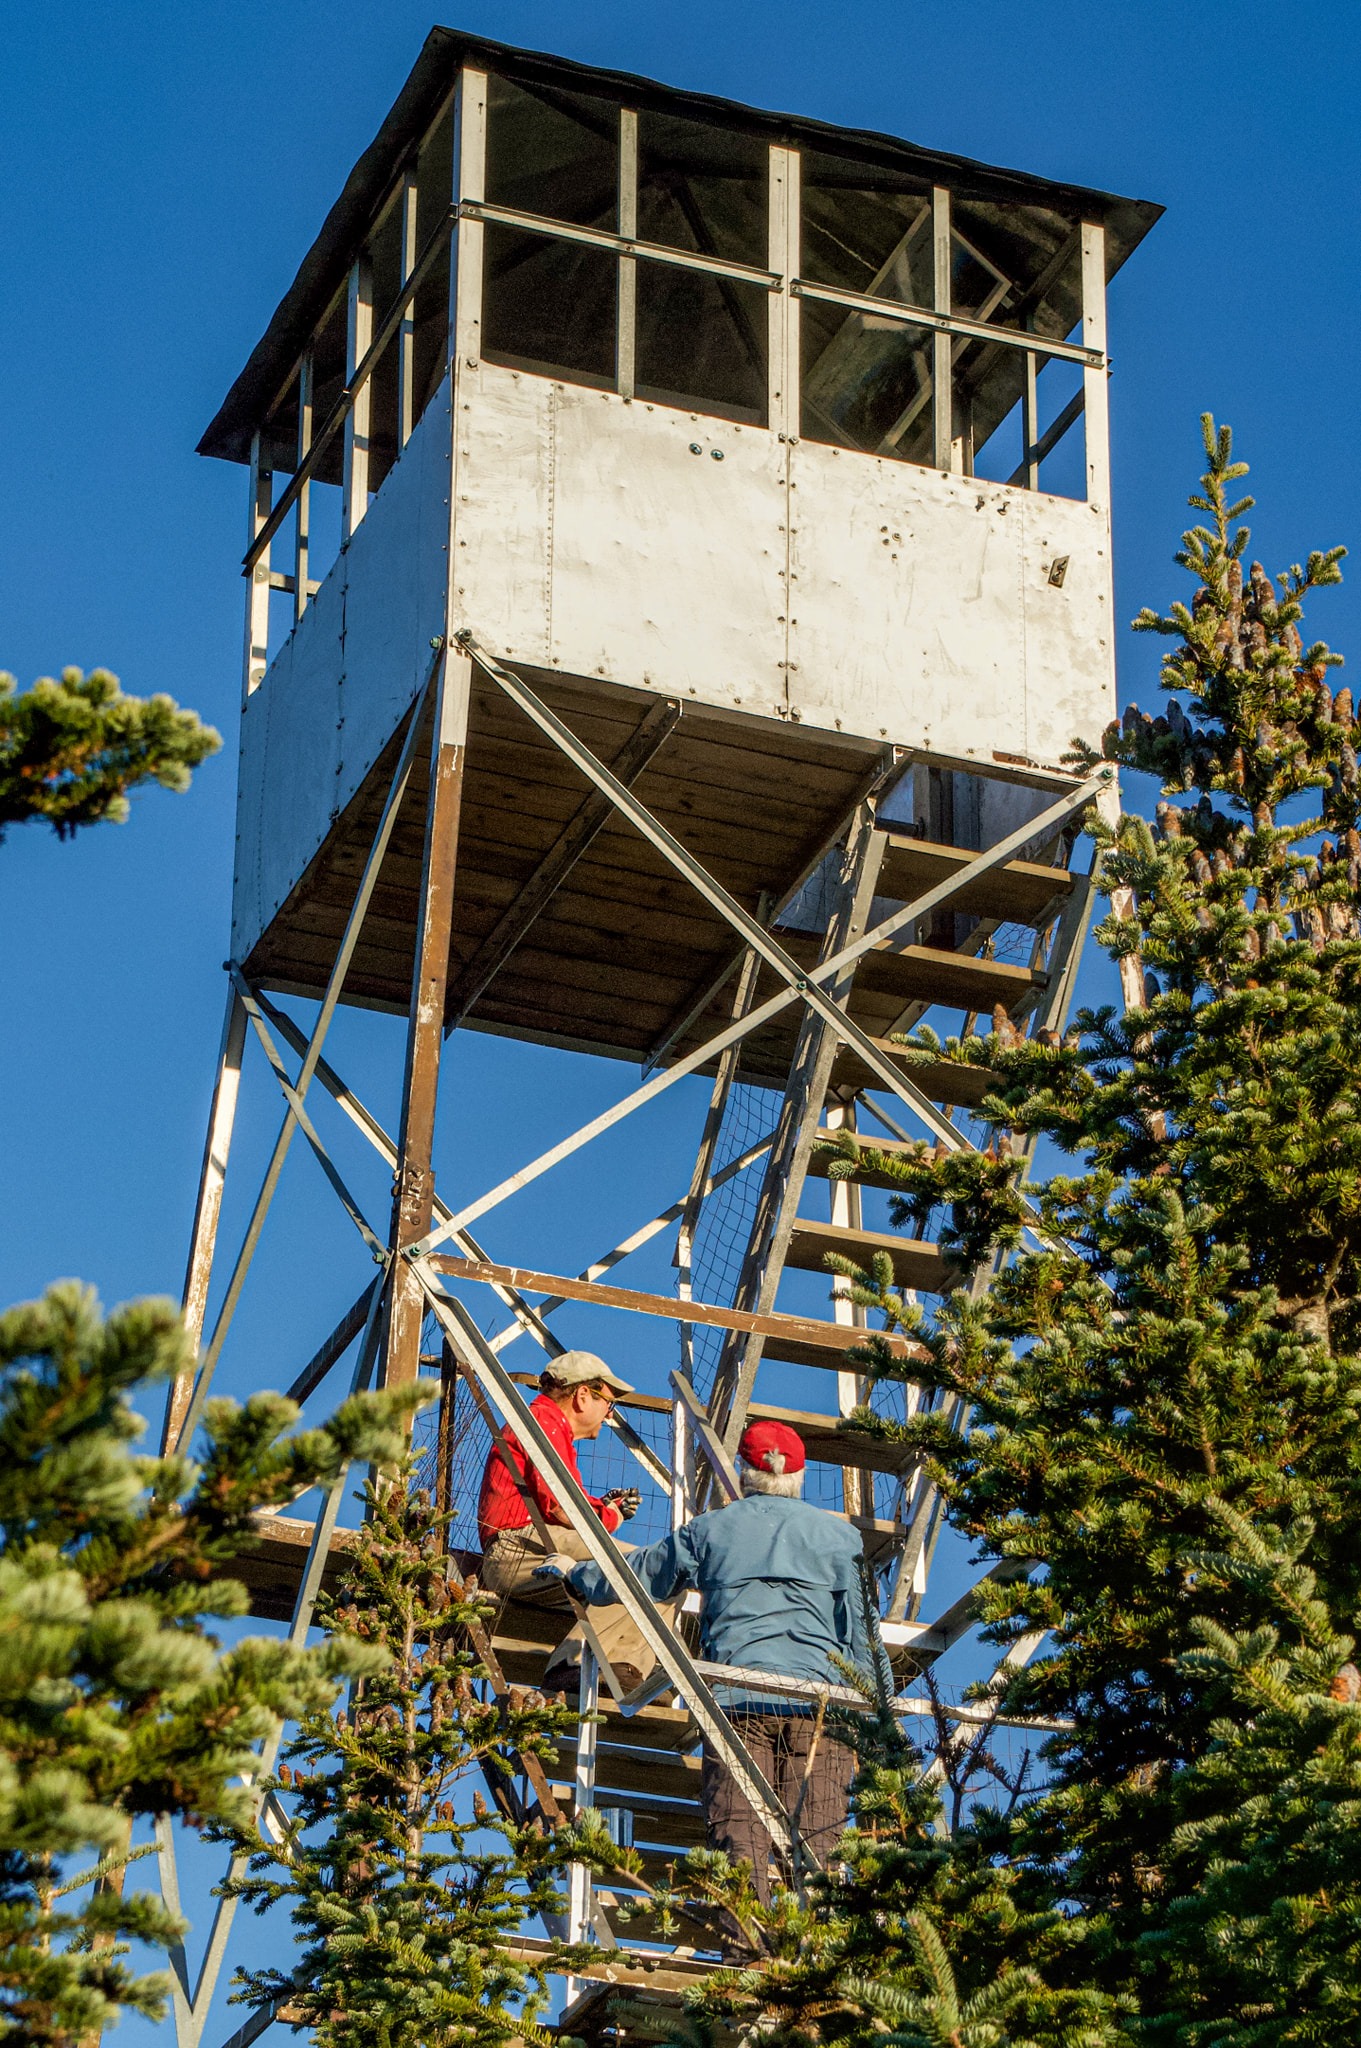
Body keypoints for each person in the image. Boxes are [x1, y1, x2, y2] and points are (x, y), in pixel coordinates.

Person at [555, 1418, 871, 1902]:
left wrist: (578, 1576)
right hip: (821, 1706)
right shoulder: (841, 1540)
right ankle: (818, 1958)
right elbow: (860, 1638)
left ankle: (749, 1958)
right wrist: (875, 1718)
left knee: (738, 1837)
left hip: (737, 1702)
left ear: (745, 1472)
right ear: (800, 1477)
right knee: (819, 1842)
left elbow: (642, 1575)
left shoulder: (713, 1530)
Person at [475, 1349, 678, 1695]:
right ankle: (574, 1664)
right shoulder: (544, 1420)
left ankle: (621, 1668)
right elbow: (561, 1507)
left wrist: (602, 1507)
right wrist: (608, 1515)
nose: (608, 1414)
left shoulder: (549, 1427)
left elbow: (561, 1499)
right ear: (583, 1395)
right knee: (644, 1567)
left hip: (533, 1547)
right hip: (519, 1547)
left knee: (660, 1572)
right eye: (608, 1403)